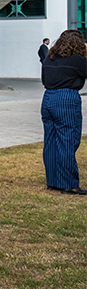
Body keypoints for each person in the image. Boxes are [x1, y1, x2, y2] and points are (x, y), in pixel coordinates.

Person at [41, 29, 87, 195]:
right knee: (68, 140)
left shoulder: (49, 58)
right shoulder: (78, 60)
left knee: (51, 141)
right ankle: (68, 184)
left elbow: (44, 80)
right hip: (66, 98)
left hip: (48, 98)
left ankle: (53, 181)